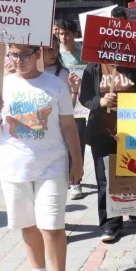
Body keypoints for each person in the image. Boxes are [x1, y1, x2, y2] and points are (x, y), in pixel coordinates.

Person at [0, 43, 83, 271]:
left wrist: (78, 162)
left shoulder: (55, 85)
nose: (20, 60)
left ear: (38, 53)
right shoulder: (0, 86)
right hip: (14, 169)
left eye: (25, 54)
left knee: (52, 225)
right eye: (14, 54)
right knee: (28, 225)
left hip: (52, 166)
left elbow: (69, 125)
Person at [79, 8, 136, 243]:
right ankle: (110, 225)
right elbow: (85, 97)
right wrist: (101, 101)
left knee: (129, 173)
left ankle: (133, 208)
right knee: (105, 179)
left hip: (130, 131)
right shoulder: (94, 66)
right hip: (101, 131)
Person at [55, 19, 88, 200]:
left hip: (80, 107)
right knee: (61, 144)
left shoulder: (84, 54)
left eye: (67, 33)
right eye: (60, 33)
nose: (64, 37)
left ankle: (76, 181)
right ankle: (65, 177)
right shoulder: (55, 55)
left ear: (75, 34)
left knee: (77, 142)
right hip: (59, 107)